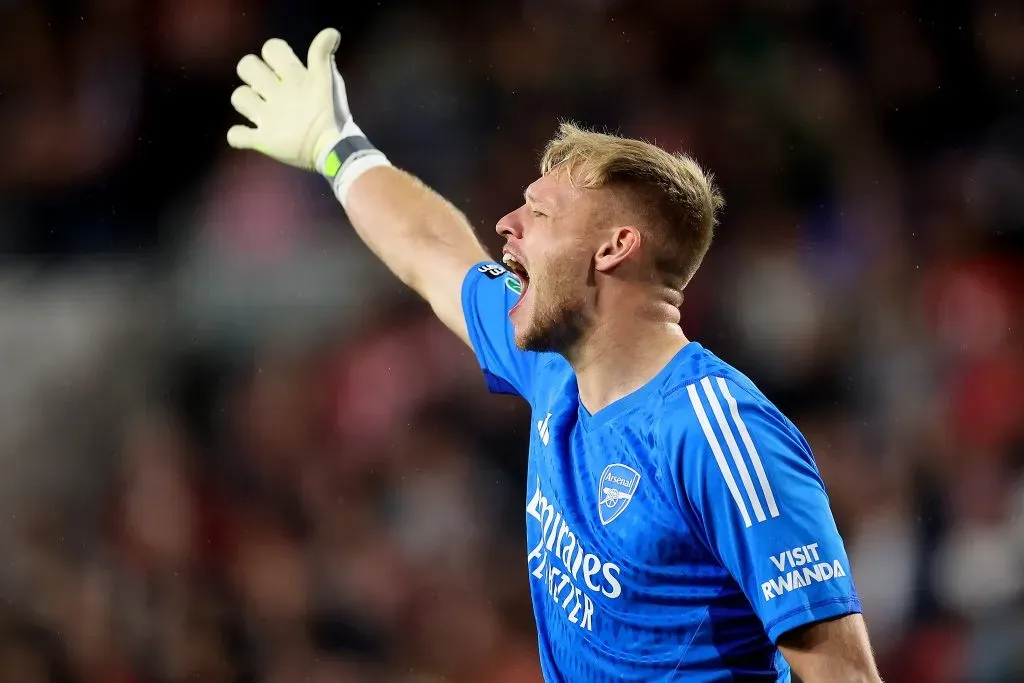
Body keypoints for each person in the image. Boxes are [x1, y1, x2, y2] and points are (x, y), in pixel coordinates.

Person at [225, 28, 883, 683]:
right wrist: (334, 145)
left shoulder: (714, 432)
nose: (506, 224)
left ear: (613, 247)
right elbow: (431, 250)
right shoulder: (554, 365)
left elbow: (844, 673)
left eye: (539, 213)